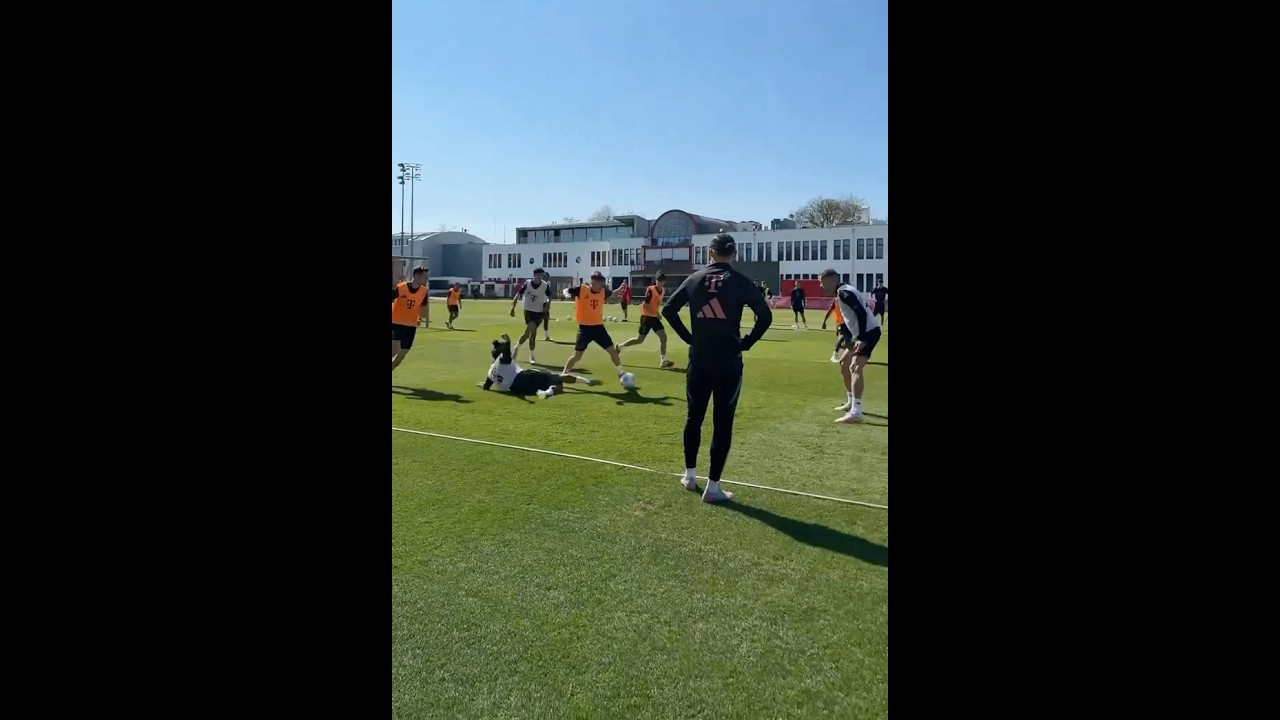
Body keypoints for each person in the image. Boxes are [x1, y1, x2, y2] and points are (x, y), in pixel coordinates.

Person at [663, 234, 771, 502]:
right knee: (722, 422)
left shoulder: (694, 279)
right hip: (727, 360)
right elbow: (765, 315)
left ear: (710, 253)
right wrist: (746, 343)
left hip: (699, 358)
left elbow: (668, 310)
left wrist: (689, 338)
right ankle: (713, 488)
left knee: (693, 417)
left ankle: (689, 475)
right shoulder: (740, 281)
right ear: (733, 253)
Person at [820, 269, 882, 423]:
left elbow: (861, 313)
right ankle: (851, 402)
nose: (821, 285)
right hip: (859, 334)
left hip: (868, 333)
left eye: (822, 281)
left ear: (831, 280)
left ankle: (856, 411)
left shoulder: (844, 293)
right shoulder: (843, 291)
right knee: (844, 363)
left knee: (855, 367)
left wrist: (861, 338)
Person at [481, 334, 598, 399]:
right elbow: (506, 351)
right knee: (557, 379)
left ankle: (547, 392)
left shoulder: (491, 371)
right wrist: (508, 341)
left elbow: (486, 387)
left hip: (518, 389)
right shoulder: (502, 360)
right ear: (500, 354)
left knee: (557, 385)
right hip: (525, 377)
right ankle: (586, 381)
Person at [562, 271, 628, 384]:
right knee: (577, 357)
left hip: (598, 328)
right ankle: (563, 374)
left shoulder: (603, 291)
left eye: (601, 283)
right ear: (592, 281)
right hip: (584, 329)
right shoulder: (582, 289)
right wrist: (567, 294)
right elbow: (566, 290)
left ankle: (621, 373)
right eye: (598, 283)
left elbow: (611, 294)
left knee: (613, 351)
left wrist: (619, 290)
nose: (600, 285)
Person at [617, 272, 676, 368]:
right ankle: (619, 347)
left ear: (664, 282)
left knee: (663, 337)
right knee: (640, 340)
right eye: (658, 280)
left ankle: (663, 360)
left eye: (662, 281)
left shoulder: (663, 290)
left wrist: (656, 313)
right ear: (656, 281)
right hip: (646, 317)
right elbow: (645, 305)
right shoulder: (651, 290)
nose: (660, 283)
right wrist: (657, 313)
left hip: (654, 318)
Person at [509, 268, 554, 364]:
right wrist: (513, 308)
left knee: (530, 332)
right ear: (534, 275)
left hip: (539, 312)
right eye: (538, 275)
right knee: (531, 334)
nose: (540, 277)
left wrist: (547, 306)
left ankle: (521, 349)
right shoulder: (527, 284)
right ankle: (528, 353)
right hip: (528, 311)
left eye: (542, 275)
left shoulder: (545, 286)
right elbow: (518, 294)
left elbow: (550, 296)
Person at [391, 266, 430, 371]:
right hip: (396, 322)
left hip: (411, 325)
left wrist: (420, 318)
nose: (426, 279)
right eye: (424, 277)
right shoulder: (401, 287)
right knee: (393, 350)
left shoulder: (423, 291)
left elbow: (423, 306)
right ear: (417, 276)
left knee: (401, 355)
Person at [821, 298, 852, 363]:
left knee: (847, 340)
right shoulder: (836, 300)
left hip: (847, 322)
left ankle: (846, 355)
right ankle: (834, 355)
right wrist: (824, 322)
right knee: (843, 337)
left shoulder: (846, 300)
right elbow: (830, 311)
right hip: (841, 323)